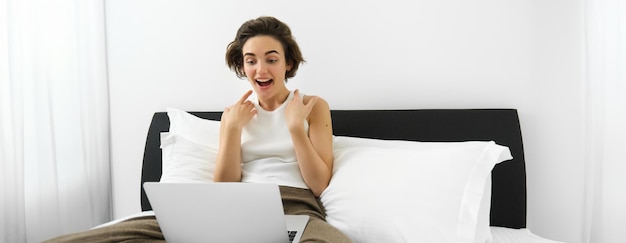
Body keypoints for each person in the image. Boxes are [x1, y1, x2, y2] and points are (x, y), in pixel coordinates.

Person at [43, 16, 351, 243]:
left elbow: (320, 184)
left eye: (271, 59)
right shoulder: (232, 115)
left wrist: (296, 128)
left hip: (298, 208)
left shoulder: (312, 106)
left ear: (288, 63)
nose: (261, 69)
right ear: (242, 67)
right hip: (236, 208)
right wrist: (230, 131)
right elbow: (224, 186)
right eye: (250, 61)